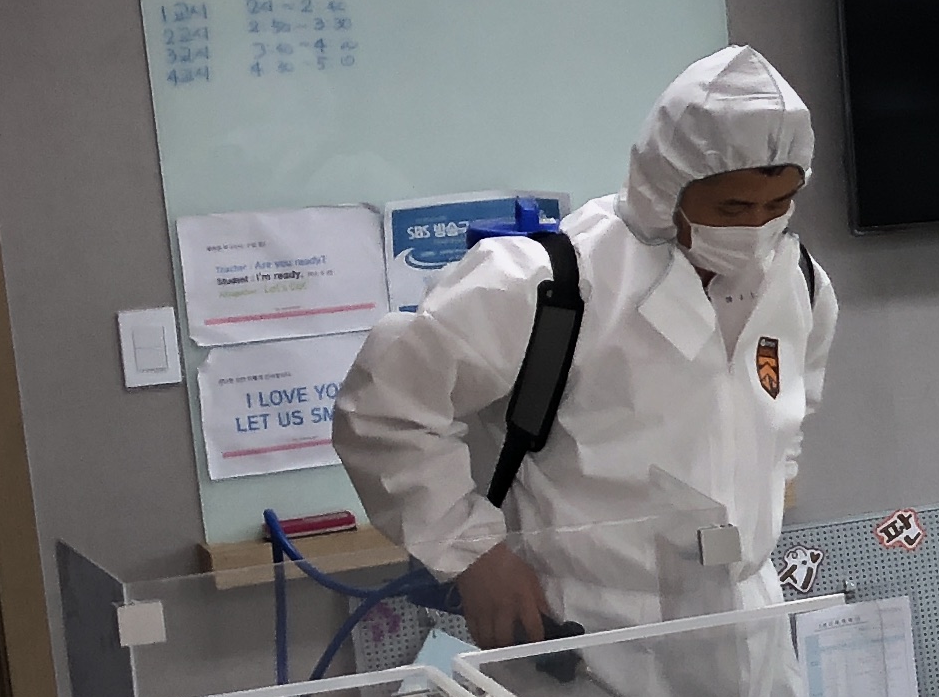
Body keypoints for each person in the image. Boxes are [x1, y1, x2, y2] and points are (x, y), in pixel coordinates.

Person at [336, 46, 837, 642]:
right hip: (585, 628)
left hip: (749, 619)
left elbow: (785, 423)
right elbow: (385, 408)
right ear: (669, 184)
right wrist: (473, 554)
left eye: (778, 205)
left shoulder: (798, 283)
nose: (756, 227)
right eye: (733, 206)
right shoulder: (553, 283)